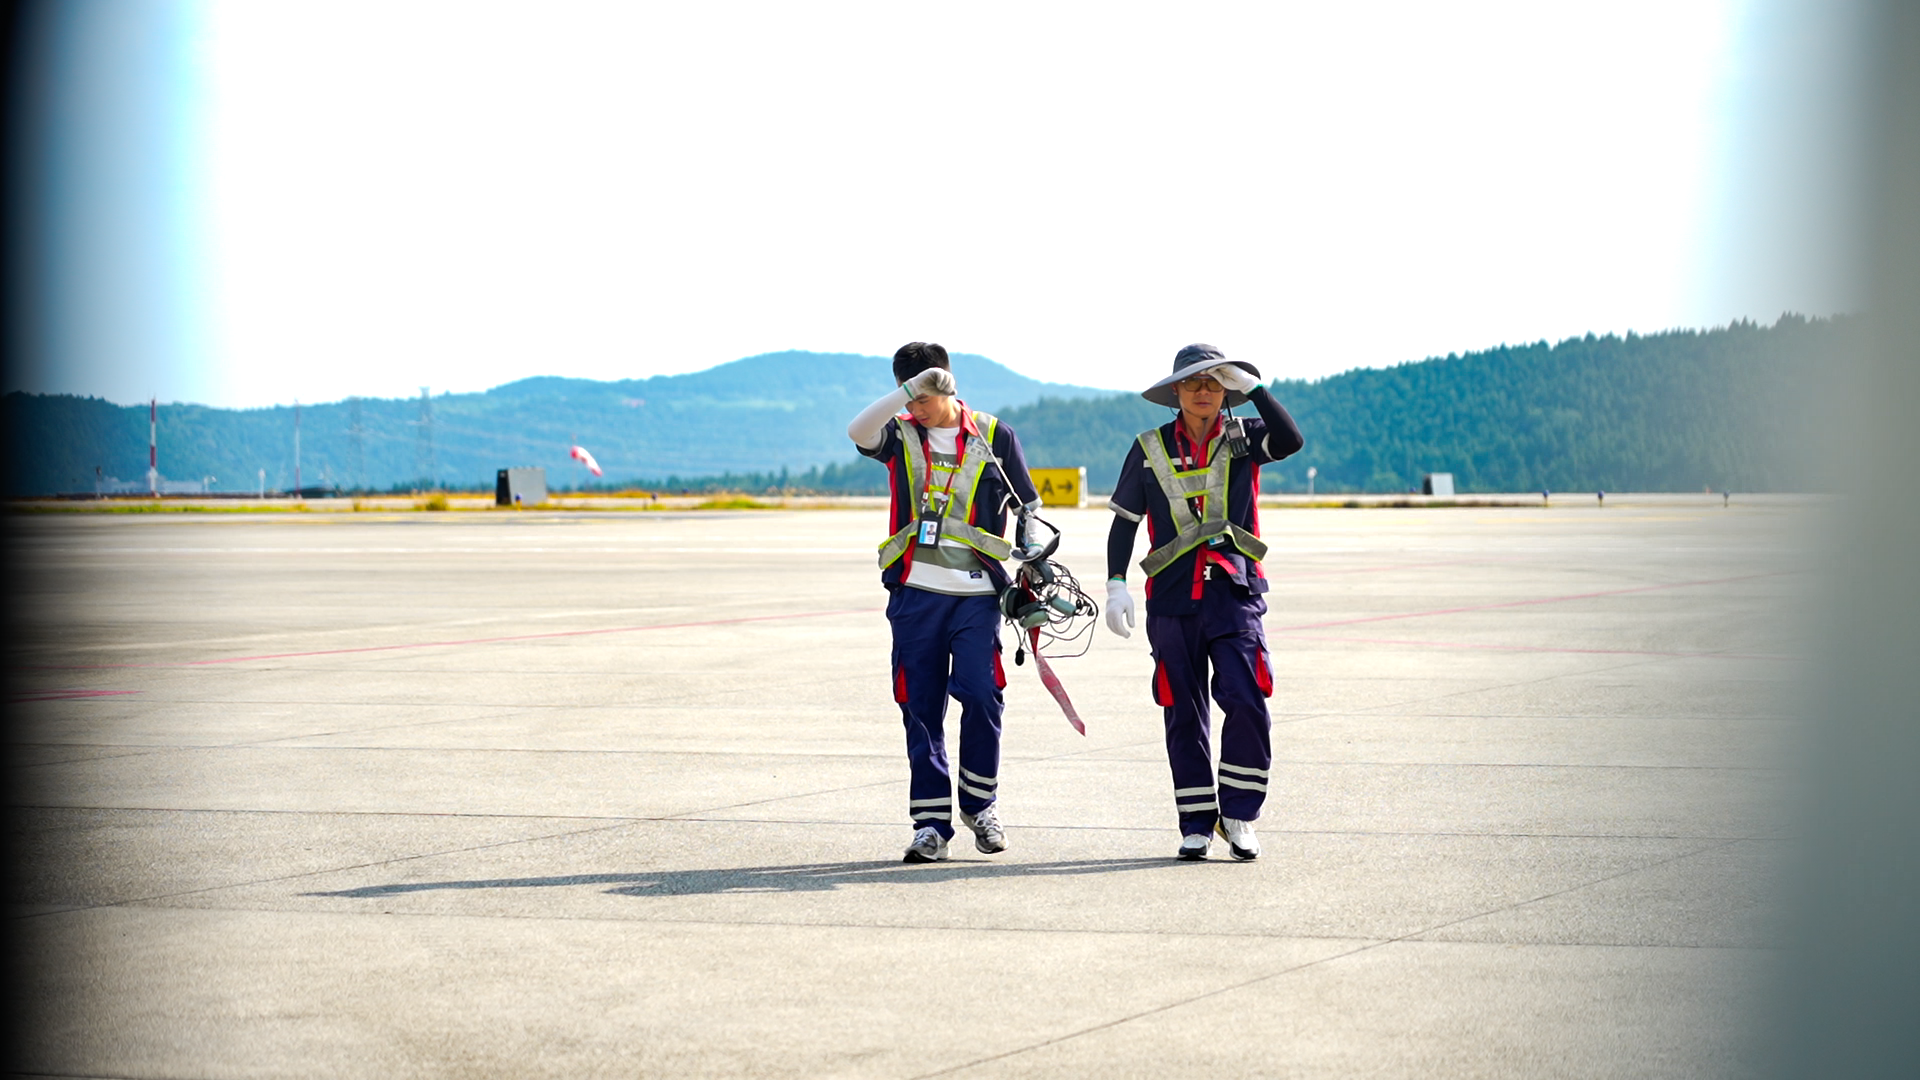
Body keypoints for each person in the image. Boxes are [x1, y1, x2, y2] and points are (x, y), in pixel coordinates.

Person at [1103, 344, 1305, 860]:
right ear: (1176, 390)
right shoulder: (1148, 447)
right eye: (1193, 383)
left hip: (1234, 593)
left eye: (1214, 383)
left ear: (1226, 390)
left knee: (1247, 698)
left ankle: (1238, 814)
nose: (1203, 392)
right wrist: (1115, 584)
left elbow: (1291, 439)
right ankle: (1195, 822)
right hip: (1172, 598)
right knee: (1182, 711)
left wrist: (1255, 389)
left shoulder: (1246, 437)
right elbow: (1125, 522)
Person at [847, 342, 1042, 863]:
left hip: (976, 595)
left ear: (948, 385)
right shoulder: (900, 432)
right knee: (920, 706)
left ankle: (981, 805)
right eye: (907, 397)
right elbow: (857, 431)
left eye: (924, 398)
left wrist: (1032, 555)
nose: (917, 409)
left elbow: (1029, 507)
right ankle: (931, 825)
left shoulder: (995, 435)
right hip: (915, 594)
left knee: (982, 694)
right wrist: (907, 394)